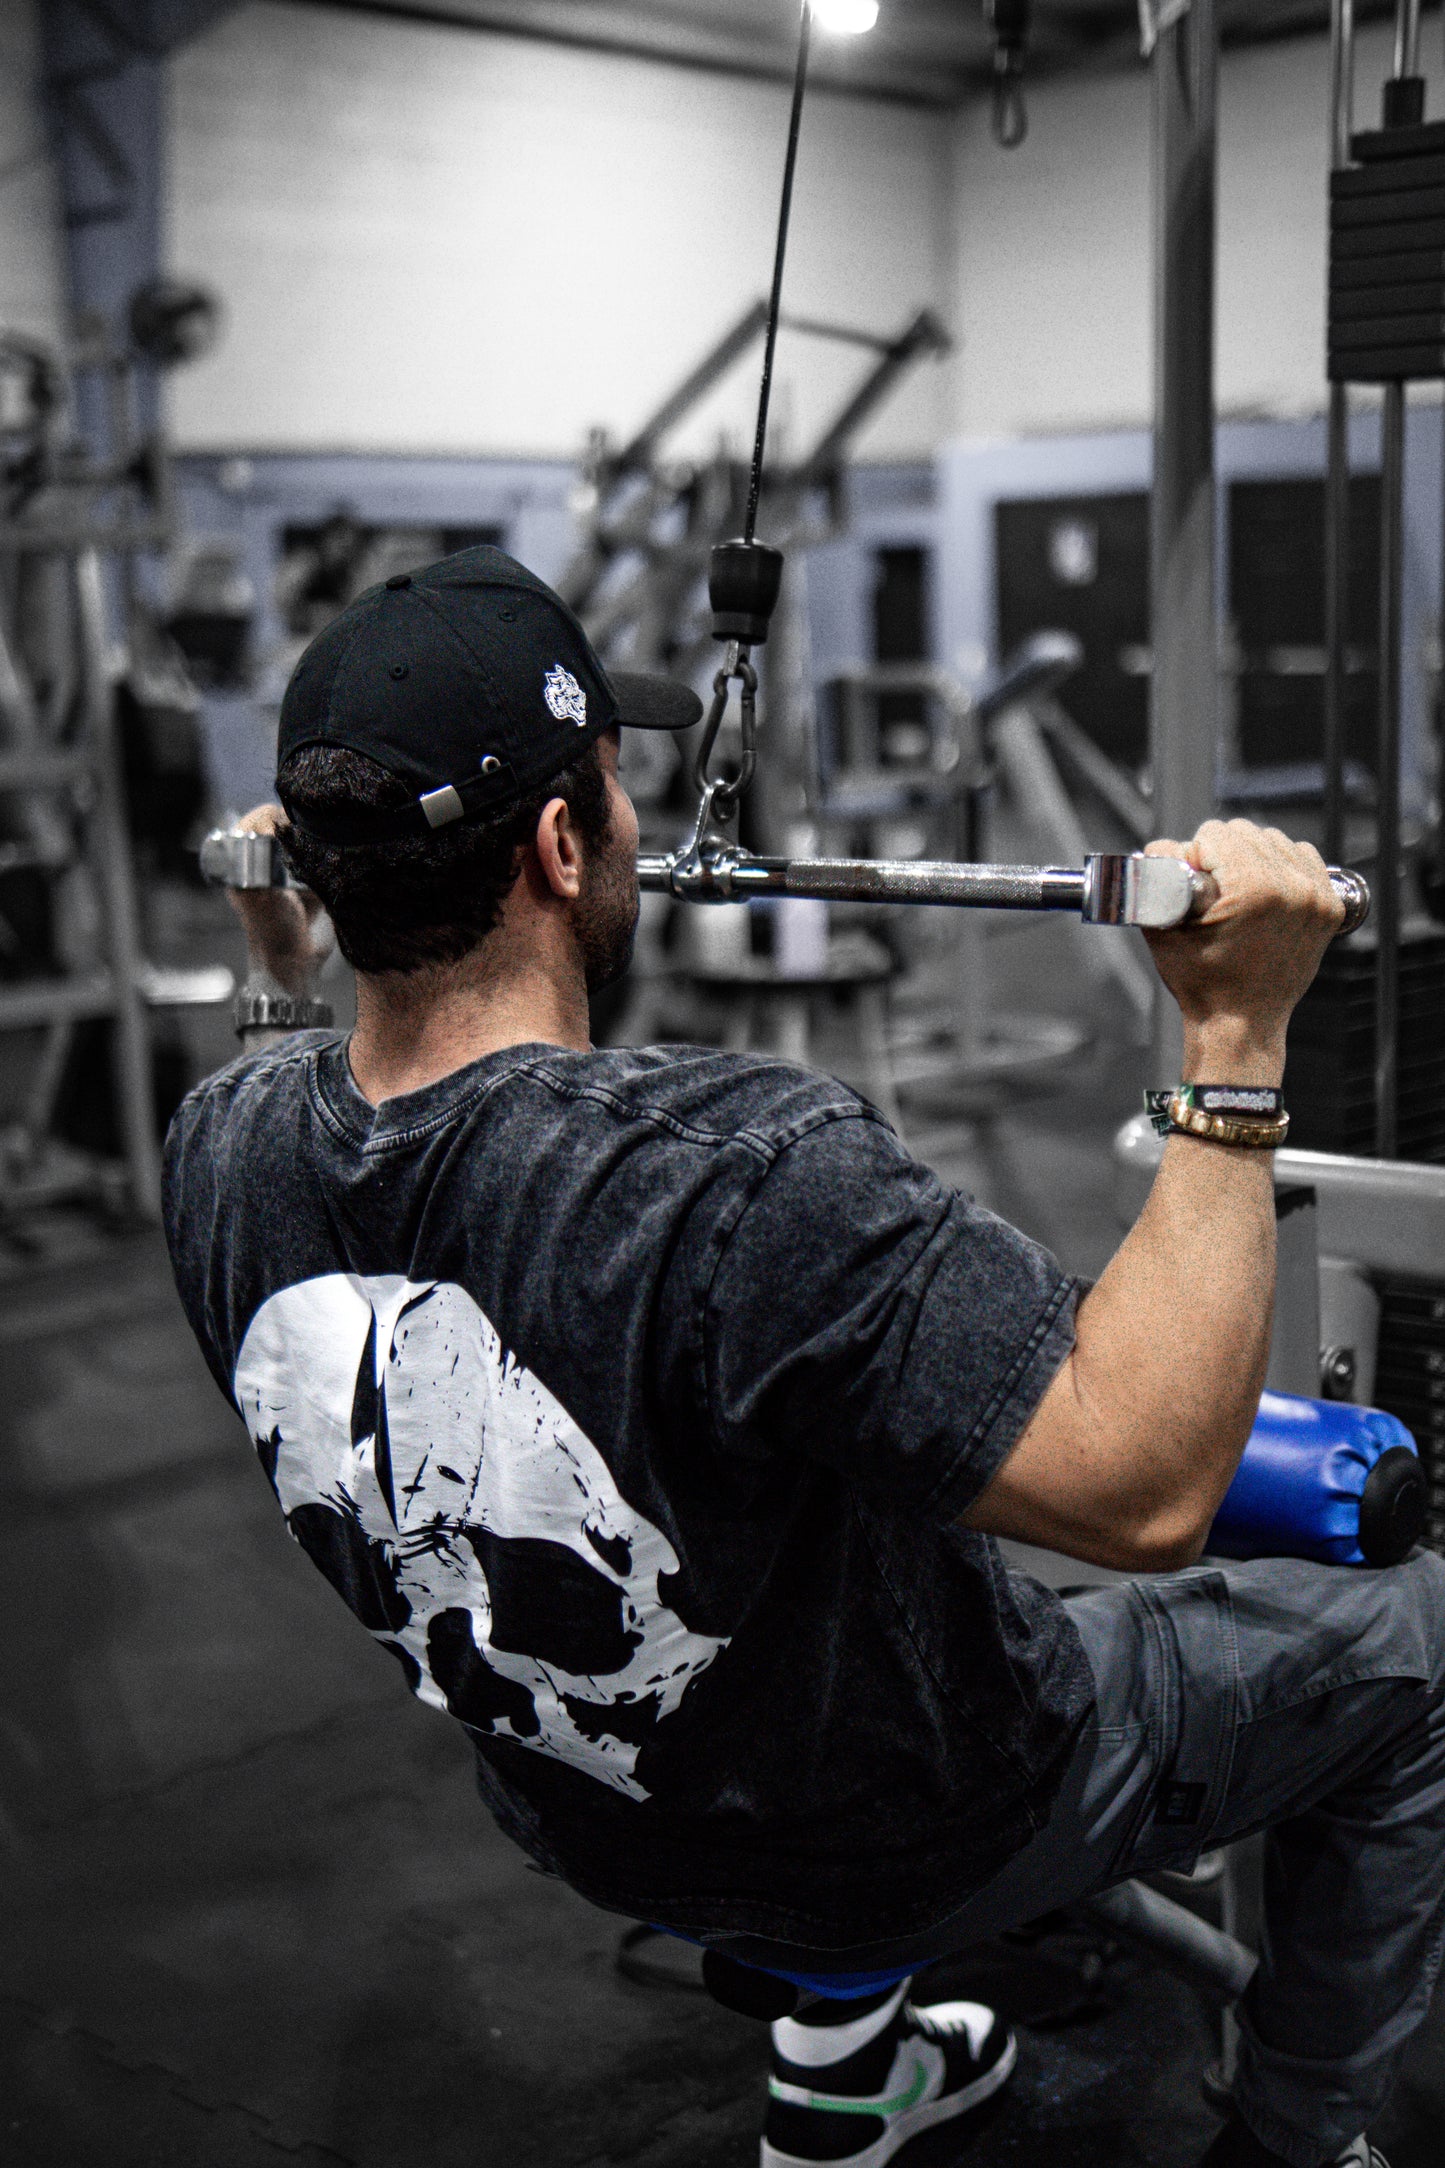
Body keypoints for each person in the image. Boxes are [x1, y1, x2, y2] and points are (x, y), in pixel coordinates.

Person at [164, 545, 1444, 2168]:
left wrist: (284, 969)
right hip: (921, 1821)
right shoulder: (736, 1172)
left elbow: (291, 1073)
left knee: (804, 1526)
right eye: (617, 794)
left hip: (582, 1807)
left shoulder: (217, 1144)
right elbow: (1147, 1491)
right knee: (1416, 1635)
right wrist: (1236, 1037)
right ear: (564, 845)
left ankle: (849, 2070)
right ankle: (1292, 2138)